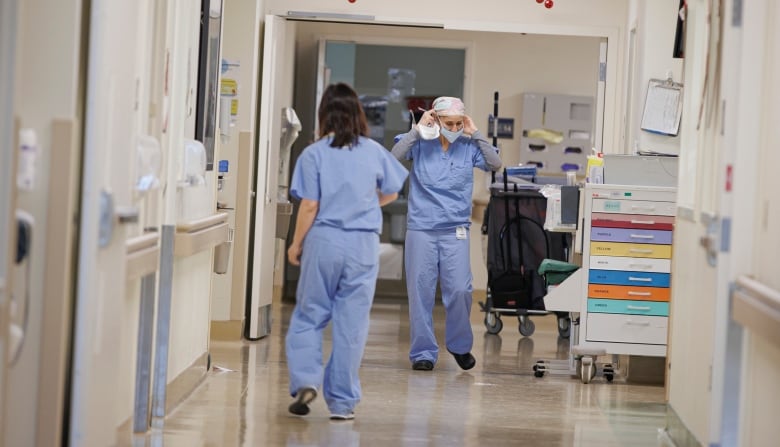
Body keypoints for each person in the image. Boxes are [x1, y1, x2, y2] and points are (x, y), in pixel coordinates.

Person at [285, 83, 408, 421]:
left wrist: (295, 244)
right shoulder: (373, 151)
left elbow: (310, 205)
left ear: (325, 114)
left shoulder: (314, 153)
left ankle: (307, 380)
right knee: (351, 324)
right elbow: (392, 193)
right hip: (363, 246)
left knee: (309, 316)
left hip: (324, 240)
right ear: (358, 114)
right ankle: (341, 403)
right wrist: (366, 203)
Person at [392, 96, 502, 371]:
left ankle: (459, 345)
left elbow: (495, 162)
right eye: (448, 123)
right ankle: (423, 353)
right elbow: (393, 157)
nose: (453, 128)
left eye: (457, 123)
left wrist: (475, 133)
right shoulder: (419, 142)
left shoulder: (468, 146)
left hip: (455, 230)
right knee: (421, 292)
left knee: (461, 289)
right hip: (422, 229)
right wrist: (418, 129)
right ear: (437, 120)